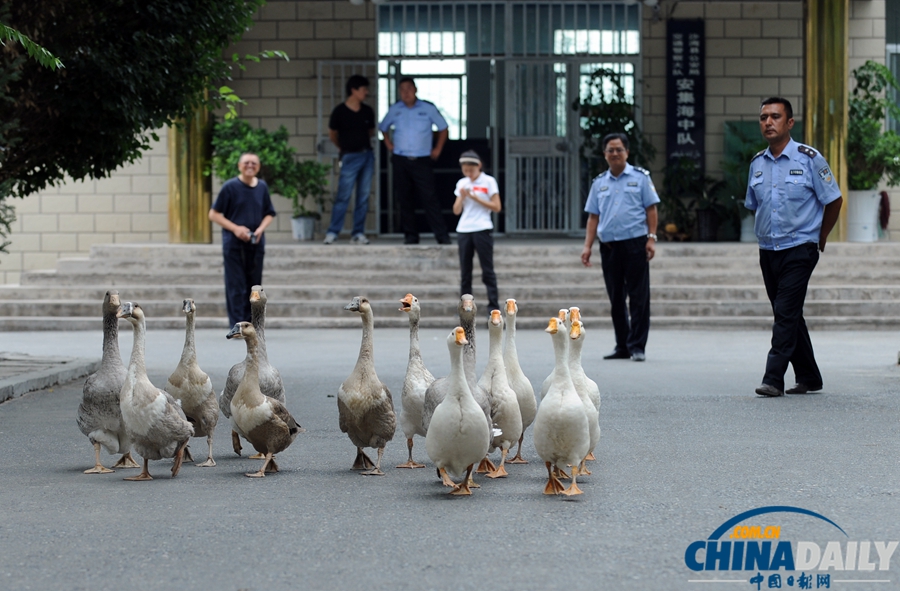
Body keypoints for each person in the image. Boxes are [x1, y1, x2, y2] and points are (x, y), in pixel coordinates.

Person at [745, 97, 843, 397]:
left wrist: (821, 236)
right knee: (789, 312)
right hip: (768, 250)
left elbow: (834, 199)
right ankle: (810, 376)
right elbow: (754, 205)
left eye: (775, 117)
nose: (768, 122)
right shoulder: (757, 163)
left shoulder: (809, 159)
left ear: (789, 123)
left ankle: (773, 378)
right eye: (763, 117)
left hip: (800, 248)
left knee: (785, 313)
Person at [581, 133, 659, 362]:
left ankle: (637, 346)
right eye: (610, 150)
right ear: (604, 154)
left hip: (635, 243)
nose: (614, 154)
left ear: (627, 152)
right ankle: (622, 345)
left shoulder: (641, 178)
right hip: (609, 246)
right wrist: (587, 246)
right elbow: (593, 217)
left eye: (619, 149)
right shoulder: (599, 183)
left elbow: (651, 210)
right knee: (616, 297)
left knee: (638, 297)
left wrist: (651, 238)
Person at [378, 76, 451, 245]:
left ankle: (441, 236)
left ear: (415, 90)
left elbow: (443, 128)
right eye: (402, 90)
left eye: (409, 89)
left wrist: (438, 149)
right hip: (401, 159)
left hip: (422, 159)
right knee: (404, 198)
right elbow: (383, 127)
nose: (406, 93)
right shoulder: (395, 109)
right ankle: (410, 236)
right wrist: (389, 144)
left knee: (429, 197)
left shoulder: (428, 108)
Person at [208, 152, 276, 327]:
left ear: (258, 167)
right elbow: (213, 214)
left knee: (254, 286)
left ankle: (253, 324)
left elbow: (269, 213)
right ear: (239, 165)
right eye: (246, 162)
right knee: (236, 284)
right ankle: (238, 323)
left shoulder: (262, 187)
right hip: (233, 243)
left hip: (256, 243)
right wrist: (236, 229)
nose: (250, 166)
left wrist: (260, 229)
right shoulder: (230, 187)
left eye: (254, 163)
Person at [323, 74, 376, 245]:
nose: (366, 92)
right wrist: (343, 147)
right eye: (363, 89)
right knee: (343, 195)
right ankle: (333, 232)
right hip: (349, 156)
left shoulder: (368, 111)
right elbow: (332, 133)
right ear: (353, 90)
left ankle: (358, 233)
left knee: (363, 195)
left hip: (366, 155)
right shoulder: (339, 111)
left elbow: (371, 132)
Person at [452, 150, 502, 314]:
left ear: (478, 166)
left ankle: (493, 307)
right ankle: (465, 309)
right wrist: (461, 196)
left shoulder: (488, 181)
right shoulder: (462, 183)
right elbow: (456, 210)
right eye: (465, 171)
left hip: (482, 227)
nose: (469, 174)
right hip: (464, 229)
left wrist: (476, 198)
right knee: (465, 272)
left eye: (471, 171)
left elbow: (497, 206)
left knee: (487, 270)